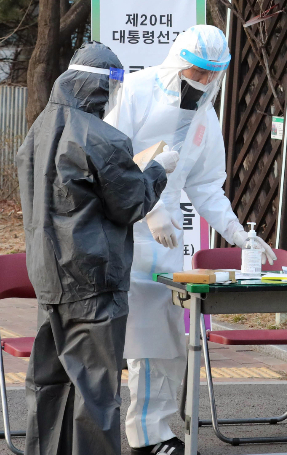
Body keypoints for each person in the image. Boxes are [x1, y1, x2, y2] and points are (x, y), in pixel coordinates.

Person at [107, 25, 276, 455]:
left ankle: (158, 431)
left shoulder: (205, 115)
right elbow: (110, 158)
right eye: (195, 72)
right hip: (123, 230)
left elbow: (206, 186)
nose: (201, 82)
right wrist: (148, 206)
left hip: (166, 243)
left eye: (210, 75)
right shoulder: (137, 91)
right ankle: (142, 435)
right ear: (176, 60)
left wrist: (238, 234)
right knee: (140, 342)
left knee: (168, 342)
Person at [15, 42, 178, 455]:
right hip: (93, 282)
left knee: (50, 383)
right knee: (95, 394)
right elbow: (129, 205)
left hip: (49, 278)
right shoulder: (103, 138)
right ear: (102, 87)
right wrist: (158, 170)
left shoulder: (35, 132)